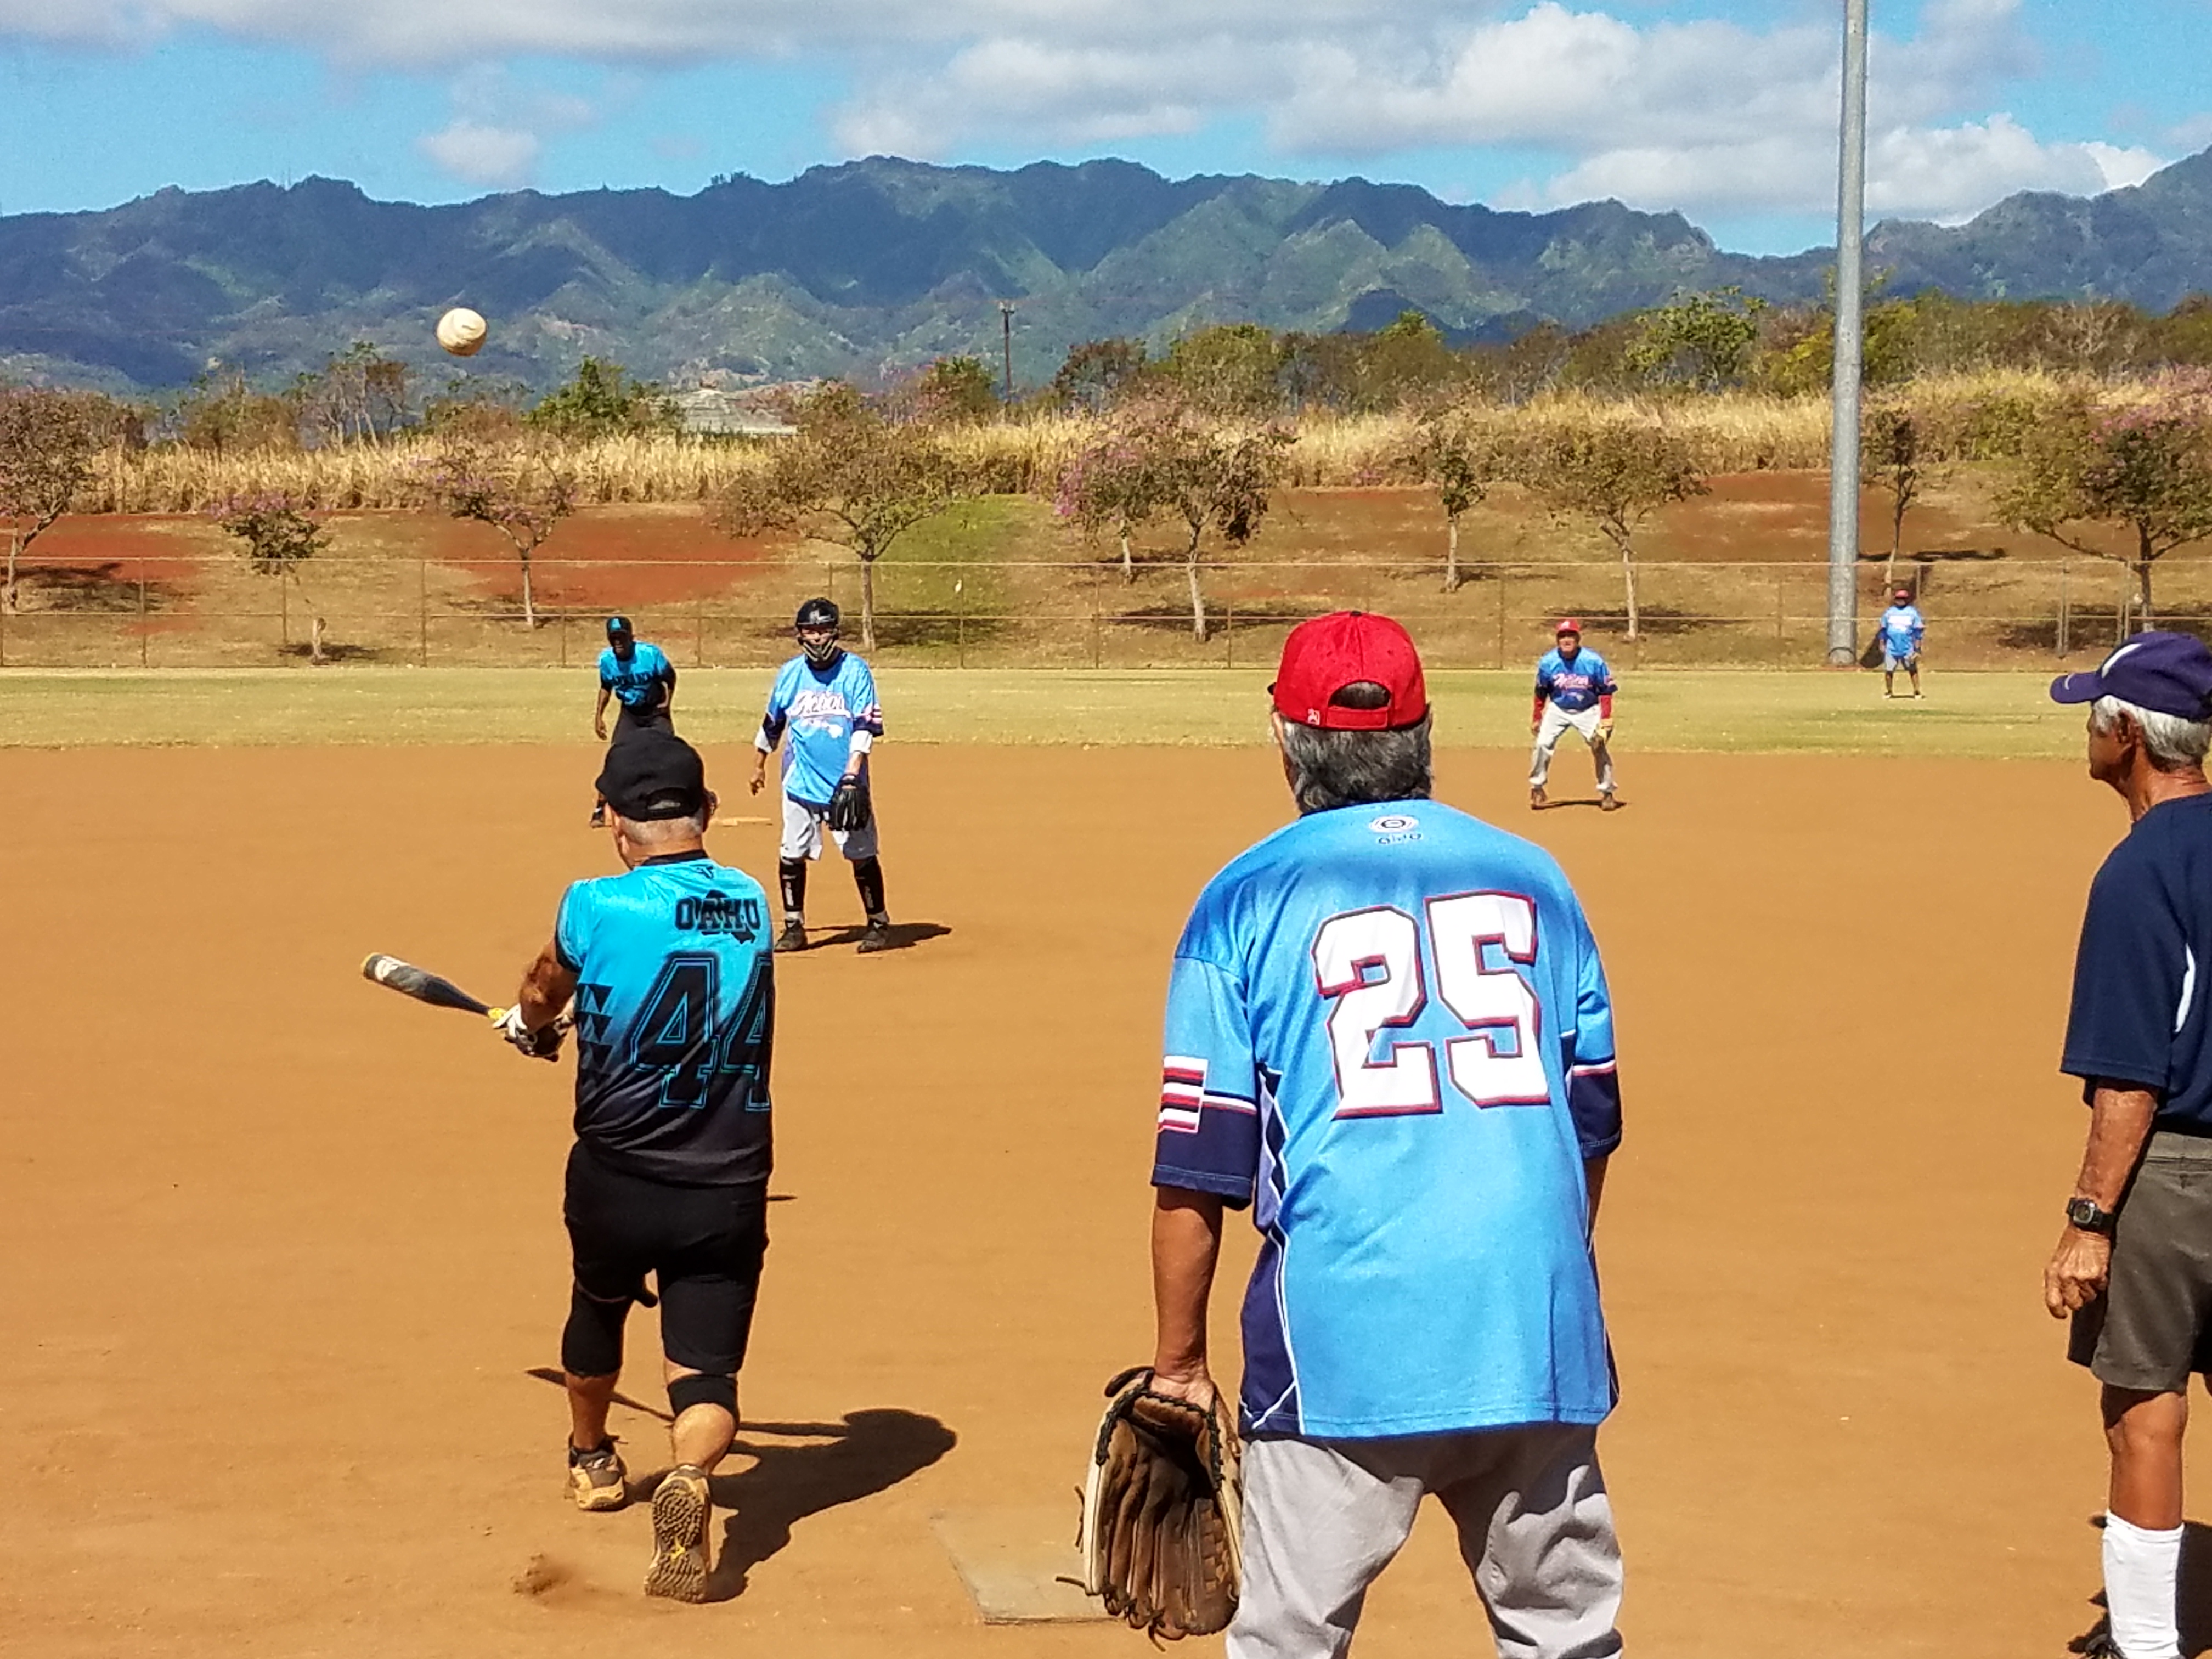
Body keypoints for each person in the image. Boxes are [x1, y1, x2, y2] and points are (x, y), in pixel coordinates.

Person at [1145, 608, 1627, 1659]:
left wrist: (1177, 1362)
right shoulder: (1540, 878)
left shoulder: (1242, 897)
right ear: (1423, 734)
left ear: (1286, 740)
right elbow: (1590, 1127)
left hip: (1344, 1340)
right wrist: (1540, 1268)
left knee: (1287, 1639)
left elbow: (1196, 1165)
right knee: (1566, 1636)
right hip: (1533, 1327)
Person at [501, 730, 777, 1603]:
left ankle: (592, 1458)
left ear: (615, 824)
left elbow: (546, 987)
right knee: (705, 1373)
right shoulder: (750, 899)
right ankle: (691, 1473)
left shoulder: (591, 904)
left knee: (598, 1305)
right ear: (704, 812)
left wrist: (533, 1026)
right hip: (727, 1180)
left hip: (617, 1173)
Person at [2042, 633, 2212, 1659]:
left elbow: (2128, 1081)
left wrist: (2087, 1220)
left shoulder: (2138, 869)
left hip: (2178, 1177)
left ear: (2125, 736)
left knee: (2142, 1409)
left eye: (2092, 713)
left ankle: (2145, 1642)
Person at [748, 597, 891, 955]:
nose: (816, 637)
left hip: (845, 785)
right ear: (799, 634)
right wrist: (759, 764)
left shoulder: (855, 671)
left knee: (861, 853)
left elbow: (864, 726)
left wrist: (851, 775)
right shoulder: (790, 674)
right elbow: (772, 723)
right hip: (799, 783)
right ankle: (794, 926)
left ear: (835, 631)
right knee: (791, 853)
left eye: (823, 629)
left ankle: (878, 921)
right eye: (809, 630)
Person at [590, 616, 679, 827]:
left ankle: (684, 800)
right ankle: (601, 808)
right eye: (614, 638)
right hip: (630, 714)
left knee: (670, 756)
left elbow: (671, 678)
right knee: (617, 758)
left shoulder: (649, 655)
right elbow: (606, 687)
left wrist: (667, 704)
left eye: (622, 637)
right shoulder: (607, 660)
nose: (618, 642)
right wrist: (598, 716)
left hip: (656, 713)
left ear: (631, 637)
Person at [1530, 617, 1618, 811]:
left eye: (1571, 635)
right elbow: (1541, 692)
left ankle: (1607, 791)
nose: (1566, 640)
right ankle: (1537, 788)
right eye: (1562, 636)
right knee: (1543, 743)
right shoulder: (1549, 662)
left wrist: (1606, 717)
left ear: (1578, 638)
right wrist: (1537, 717)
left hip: (1588, 709)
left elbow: (1605, 691)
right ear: (1557, 640)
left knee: (1598, 744)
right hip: (1559, 708)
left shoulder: (1593, 661)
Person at [1878, 587, 1925, 699]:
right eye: (1899, 598)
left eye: (1903, 598)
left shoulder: (1912, 613)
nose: (1901, 600)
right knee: (1889, 670)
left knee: (1912, 670)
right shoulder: (1889, 613)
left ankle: (1917, 691)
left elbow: (1917, 632)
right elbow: (1883, 629)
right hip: (1891, 647)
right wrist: (1882, 643)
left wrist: (1917, 649)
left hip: (1907, 648)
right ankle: (1889, 691)